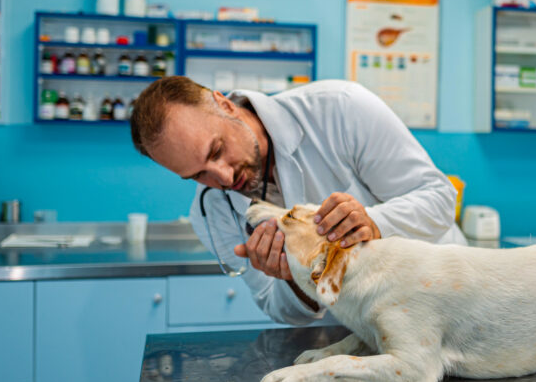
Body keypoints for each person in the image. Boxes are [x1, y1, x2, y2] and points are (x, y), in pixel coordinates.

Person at [130, 76, 465, 325]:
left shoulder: (340, 109)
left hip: (448, 296)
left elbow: (439, 201)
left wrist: (374, 222)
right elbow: (283, 311)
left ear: (225, 104)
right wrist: (292, 278)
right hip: (366, 328)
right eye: (198, 175)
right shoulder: (212, 212)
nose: (225, 179)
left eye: (217, 151)